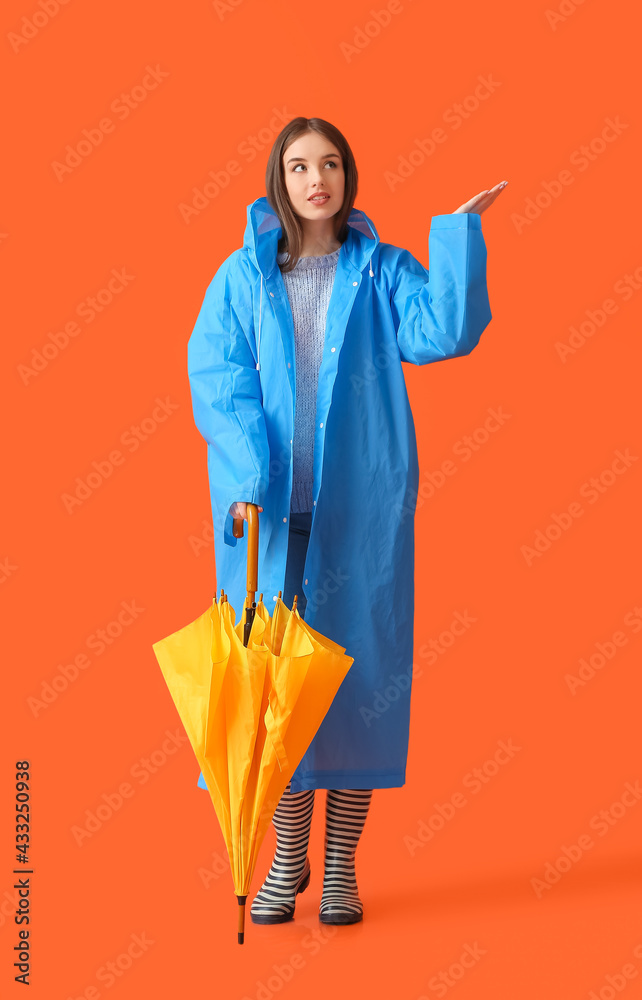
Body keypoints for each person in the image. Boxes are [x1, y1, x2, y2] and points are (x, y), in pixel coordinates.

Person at [187, 116, 505, 926]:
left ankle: (338, 868)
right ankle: (287, 852)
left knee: (358, 687)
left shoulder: (383, 271)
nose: (315, 179)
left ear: (347, 176)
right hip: (268, 515)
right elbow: (216, 374)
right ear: (279, 180)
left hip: (360, 512)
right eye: (298, 167)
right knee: (280, 687)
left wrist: (458, 237)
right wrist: (249, 473)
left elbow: (444, 333)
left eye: (329, 163)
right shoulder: (243, 275)